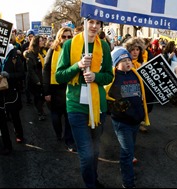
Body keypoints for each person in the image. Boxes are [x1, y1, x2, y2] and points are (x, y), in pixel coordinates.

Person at [55, 18, 113, 188]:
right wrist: (78, 66)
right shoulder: (69, 45)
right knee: (86, 153)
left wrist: (96, 77)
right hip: (76, 106)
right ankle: (90, 185)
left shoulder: (103, 46)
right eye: (91, 22)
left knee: (95, 151)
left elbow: (109, 75)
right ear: (84, 23)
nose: (95, 26)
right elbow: (59, 76)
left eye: (98, 23)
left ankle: (93, 179)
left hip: (98, 106)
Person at [105, 48, 150, 188]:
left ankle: (125, 168)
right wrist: (115, 106)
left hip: (136, 120)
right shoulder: (111, 77)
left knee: (130, 149)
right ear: (116, 64)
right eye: (123, 61)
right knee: (127, 153)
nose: (127, 63)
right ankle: (128, 183)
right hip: (122, 122)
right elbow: (103, 95)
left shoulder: (136, 74)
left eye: (129, 60)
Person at [0, 43, 25, 155]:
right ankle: (7, 145)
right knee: (1, 119)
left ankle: (19, 134)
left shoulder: (14, 55)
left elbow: (22, 74)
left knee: (15, 115)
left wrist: (9, 75)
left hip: (12, 92)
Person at [42, 27, 76, 152]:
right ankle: (58, 133)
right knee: (56, 115)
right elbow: (45, 70)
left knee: (69, 115)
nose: (66, 39)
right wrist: (46, 92)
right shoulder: (52, 50)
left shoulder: (74, 50)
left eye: (69, 36)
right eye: (64, 36)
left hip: (69, 86)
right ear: (59, 37)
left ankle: (69, 141)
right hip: (55, 87)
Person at [26, 35, 47, 121]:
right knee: (38, 97)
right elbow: (30, 70)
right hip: (35, 80)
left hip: (43, 78)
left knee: (43, 97)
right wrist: (37, 81)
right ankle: (40, 112)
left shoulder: (43, 51)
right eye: (40, 40)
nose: (43, 42)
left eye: (43, 40)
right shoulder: (31, 54)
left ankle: (41, 109)